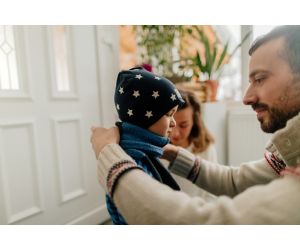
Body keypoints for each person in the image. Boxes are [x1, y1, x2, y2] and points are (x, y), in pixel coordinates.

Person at [91, 26, 300, 224]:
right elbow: (236, 181)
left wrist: (108, 154)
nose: (246, 98)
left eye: (261, 78)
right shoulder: (287, 157)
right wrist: (172, 153)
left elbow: (198, 225)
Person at [104, 67, 185, 224]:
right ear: (145, 118)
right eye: (169, 115)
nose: (173, 123)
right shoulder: (135, 160)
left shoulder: (140, 151)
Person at [170, 88, 218, 162]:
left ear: (194, 122)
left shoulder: (206, 150)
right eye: (170, 124)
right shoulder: (154, 148)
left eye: (184, 126)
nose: (175, 133)